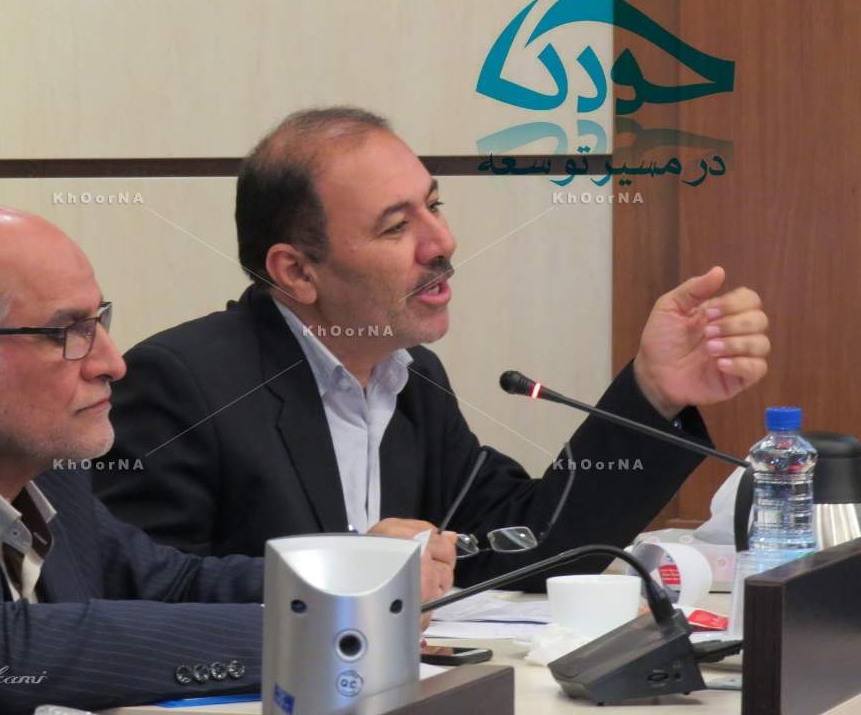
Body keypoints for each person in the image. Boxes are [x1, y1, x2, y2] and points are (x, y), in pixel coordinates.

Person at [94, 106, 770, 588]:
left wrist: (653, 391)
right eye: (396, 227)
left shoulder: (411, 376)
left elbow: (532, 545)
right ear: (296, 271)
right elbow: (138, 592)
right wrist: (350, 571)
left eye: (434, 206)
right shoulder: (183, 384)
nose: (441, 243)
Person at [0, 205, 263, 715]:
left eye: (98, 321)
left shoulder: (40, 463)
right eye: (69, 332)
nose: (113, 363)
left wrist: (341, 588)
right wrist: (298, 633)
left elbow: (175, 584)